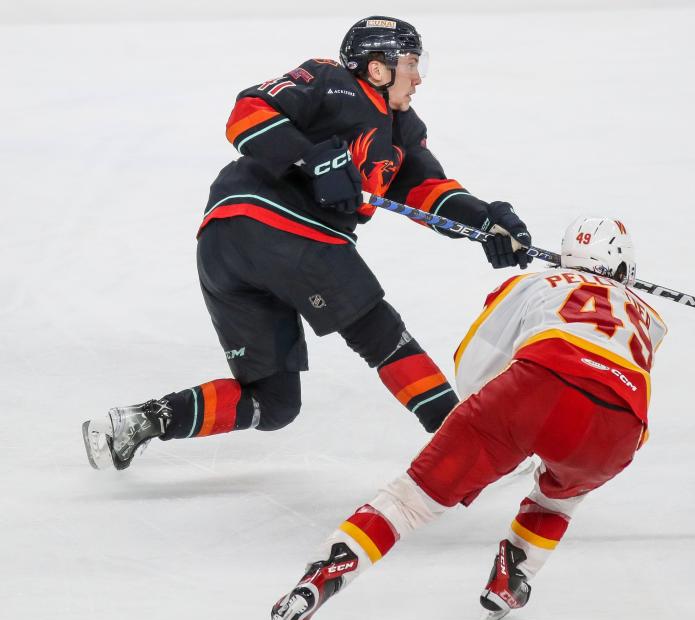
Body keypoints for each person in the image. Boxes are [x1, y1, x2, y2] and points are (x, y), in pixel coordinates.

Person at [81, 16, 533, 471]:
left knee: (273, 402)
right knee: (382, 336)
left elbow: (429, 192)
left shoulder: (403, 133)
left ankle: (142, 421)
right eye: (411, 63)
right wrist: (310, 156)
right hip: (285, 229)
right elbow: (247, 113)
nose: (418, 78)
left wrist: (486, 221)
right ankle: (473, 445)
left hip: (224, 246)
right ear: (377, 69)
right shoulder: (330, 80)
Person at [267, 216, 668, 620]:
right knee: (560, 496)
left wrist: (487, 430)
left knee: (407, 503)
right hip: (621, 426)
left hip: (529, 392)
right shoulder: (652, 319)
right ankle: (513, 579)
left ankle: (323, 574)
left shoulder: (536, 283)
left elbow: (476, 357)